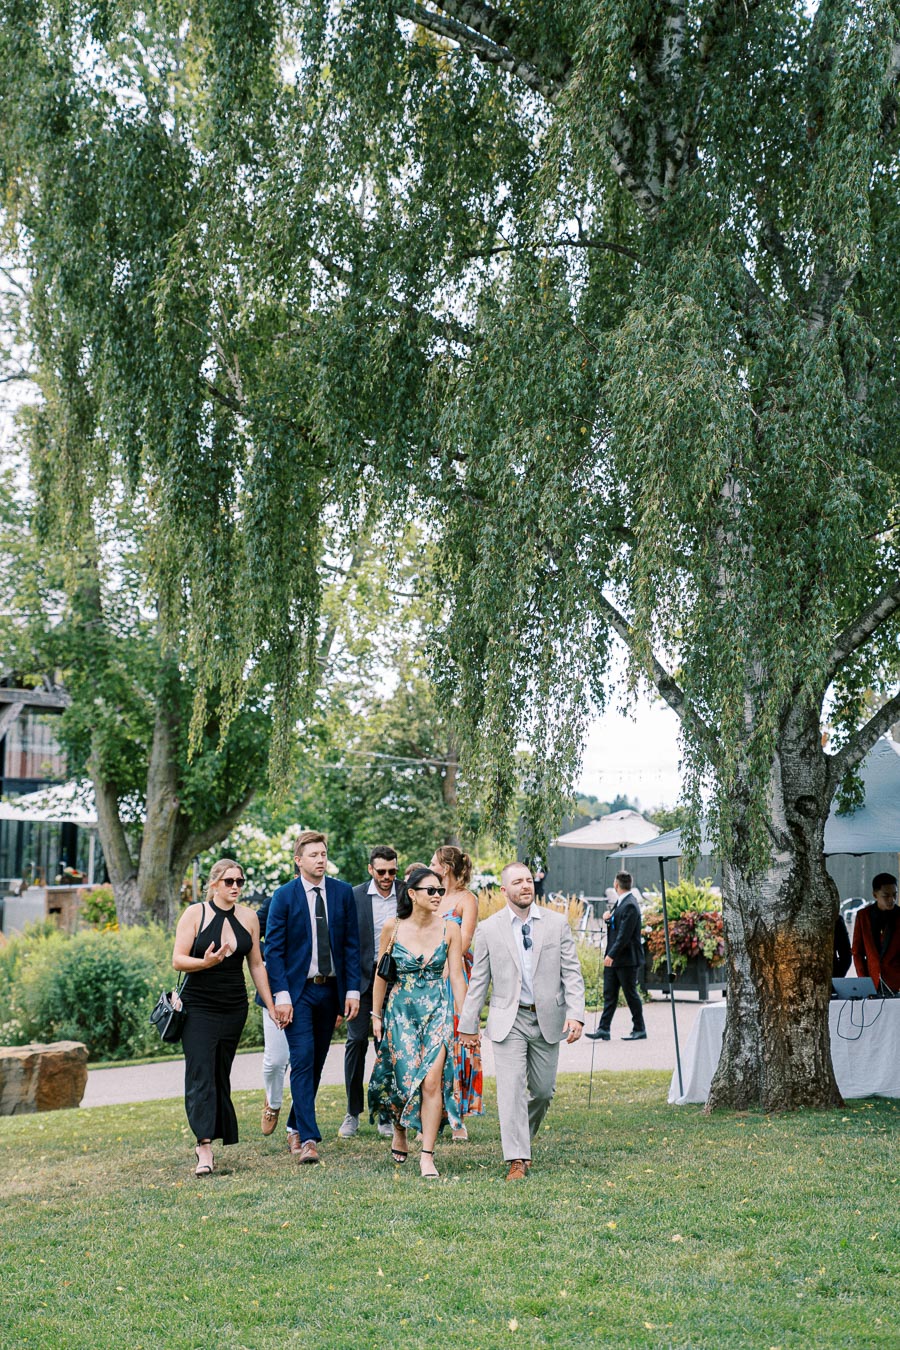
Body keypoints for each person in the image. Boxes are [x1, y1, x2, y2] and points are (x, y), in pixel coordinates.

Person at [458, 861, 585, 1181]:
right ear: (504, 890)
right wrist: (467, 1025)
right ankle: (517, 1157)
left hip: (547, 1019)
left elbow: (572, 973)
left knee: (543, 1092)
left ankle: (520, 1139)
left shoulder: (557, 925)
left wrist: (576, 1015)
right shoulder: (489, 929)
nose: (525, 886)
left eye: (529, 880)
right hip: (507, 1021)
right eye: (517, 882)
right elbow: (479, 981)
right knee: (511, 1090)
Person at [172, 858, 282, 1176]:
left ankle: (211, 1136)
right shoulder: (196, 913)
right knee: (201, 1074)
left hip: (233, 1006)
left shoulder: (248, 917)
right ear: (214, 884)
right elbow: (178, 960)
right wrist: (205, 963)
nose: (235, 887)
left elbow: (257, 964)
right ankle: (203, 1147)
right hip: (198, 1007)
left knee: (220, 1073)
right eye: (229, 881)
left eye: (239, 882)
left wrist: (270, 1004)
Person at [263, 831, 361, 1164]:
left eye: (323, 853)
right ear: (299, 860)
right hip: (298, 993)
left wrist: (350, 990)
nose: (321, 859)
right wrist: (282, 995)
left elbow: (351, 945)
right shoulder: (284, 896)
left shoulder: (342, 893)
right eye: (314, 854)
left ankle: (293, 1124)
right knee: (302, 1058)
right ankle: (308, 1138)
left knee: (316, 1063)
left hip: (330, 989)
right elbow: (273, 950)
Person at [368, 866, 468, 1178]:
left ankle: (427, 1155)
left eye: (440, 890)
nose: (438, 895)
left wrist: (465, 1019)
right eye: (431, 891)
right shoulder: (393, 927)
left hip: (437, 1011)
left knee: (433, 1081)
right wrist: (376, 1015)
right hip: (401, 1013)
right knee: (404, 1077)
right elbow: (381, 975)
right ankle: (399, 1127)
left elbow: (455, 975)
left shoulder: (450, 928)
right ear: (412, 894)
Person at [339, 846, 399, 1139]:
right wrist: (347, 988)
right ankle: (352, 1112)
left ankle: (386, 1113)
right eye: (381, 872)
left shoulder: (407, 894)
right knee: (356, 1042)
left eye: (392, 871)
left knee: (387, 1048)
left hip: (397, 981)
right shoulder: (354, 896)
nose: (387, 877)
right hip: (362, 981)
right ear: (370, 869)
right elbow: (345, 944)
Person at [429, 844, 483, 1139]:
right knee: (433, 1044)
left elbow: (465, 939)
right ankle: (433, 1111)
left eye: (433, 862)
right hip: (430, 975)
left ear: (445, 867)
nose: (430, 865)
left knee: (456, 1041)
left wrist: (445, 967)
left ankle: (457, 1114)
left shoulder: (466, 899)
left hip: (455, 975)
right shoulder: (434, 896)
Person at [586, 871, 646, 1041]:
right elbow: (617, 925)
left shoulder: (630, 904)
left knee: (630, 994)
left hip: (626, 959)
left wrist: (611, 954)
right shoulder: (621, 903)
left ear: (616, 884)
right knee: (609, 994)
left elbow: (624, 935)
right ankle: (604, 1029)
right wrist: (608, 918)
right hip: (615, 958)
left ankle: (640, 1028)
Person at [254, 892, 291, 1138]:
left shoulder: (328, 898)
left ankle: (298, 1128)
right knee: (276, 1059)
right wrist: (267, 956)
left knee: (303, 1061)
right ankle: (273, 1103)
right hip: (275, 988)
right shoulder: (278, 899)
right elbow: (249, 934)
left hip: (312, 986)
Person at [852, 872, 900, 994]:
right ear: (875, 895)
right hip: (871, 982)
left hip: (896, 982)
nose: (892, 899)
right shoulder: (863, 916)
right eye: (886, 895)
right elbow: (857, 952)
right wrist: (863, 980)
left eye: (895, 895)